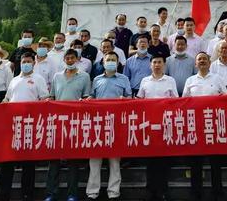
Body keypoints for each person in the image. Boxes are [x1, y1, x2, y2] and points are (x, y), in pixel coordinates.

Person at [0, 53, 49, 201]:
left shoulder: (39, 79)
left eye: (28, 61)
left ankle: (27, 193)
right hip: (12, 125)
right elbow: (7, 98)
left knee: (28, 162)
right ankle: (3, 192)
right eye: (23, 61)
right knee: (7, 160)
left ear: (33, 63)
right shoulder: (14, 80)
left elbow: (44, 100)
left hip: (29, 125)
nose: (26, 63)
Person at [45, 49, 91, 201]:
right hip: (57, 122)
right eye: (67, 58)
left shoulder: (84, 76)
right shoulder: (57, 76)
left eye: (73, 58)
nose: (70, 60)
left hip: (75, 123)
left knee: (73, 161)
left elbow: (86, 98)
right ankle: (51, 193)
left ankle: (72, 194)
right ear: (64, 59)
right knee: (54, 160)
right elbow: (51, 97)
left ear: (77, 60)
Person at [86, 52, 132, 200]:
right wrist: (88, 100)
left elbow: (130, 98)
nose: (111, 62)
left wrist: (125, 99)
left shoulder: (124, 79)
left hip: (116, 123)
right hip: (98, 123)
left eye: (113, 60)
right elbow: (92, 96)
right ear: (103, 62)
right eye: (108, 60)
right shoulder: (97, 79)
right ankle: (92, 193)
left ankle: (114, 192)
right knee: (95, 160)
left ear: (118, 63)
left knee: (114, 160)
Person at [183, 52, 227, 200]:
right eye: (199, 59)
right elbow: (184, 102)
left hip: (213, 124)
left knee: (216, 162)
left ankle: (218, 192)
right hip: (195, 126)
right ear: (195, 64)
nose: (202, 61)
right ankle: (196, 193)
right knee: (196, 162)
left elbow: (226, 97)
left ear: (210, 62)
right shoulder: (190, 80)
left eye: (204, 59)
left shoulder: (217, 78)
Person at [137, 55, 178, 201]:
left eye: (159, 62)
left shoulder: (170, 80)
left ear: (164, 65)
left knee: (164, 160)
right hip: (149, 125)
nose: (157, 65)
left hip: (165, 125)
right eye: (154, 62)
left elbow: (175, 101)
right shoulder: (144, 81)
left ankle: (163, 190)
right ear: (150, 65)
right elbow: (140, 101)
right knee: (151, 161)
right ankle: (151, 191)